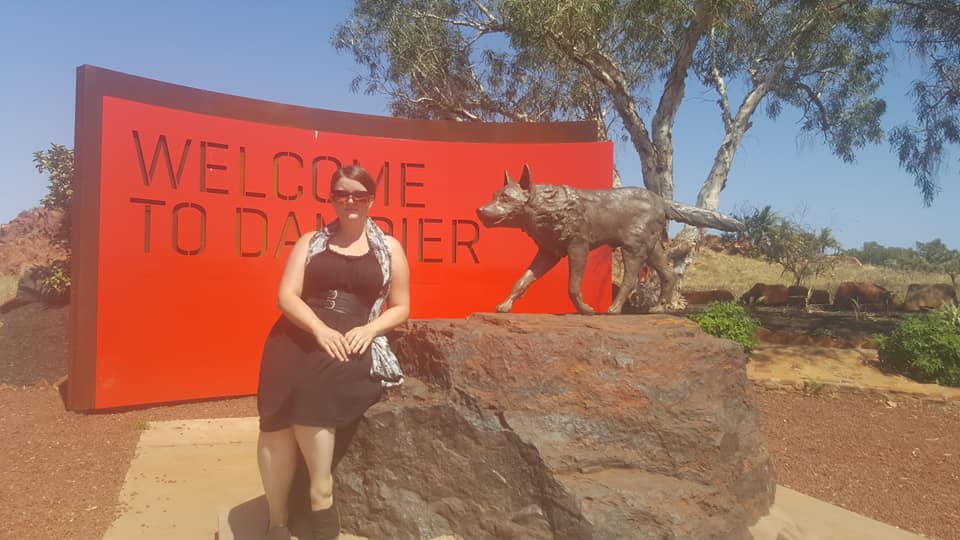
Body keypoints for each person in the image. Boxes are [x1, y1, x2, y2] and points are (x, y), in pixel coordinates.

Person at [256, 165, 410, 540]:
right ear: (332, 199)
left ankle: (320, 496)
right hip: (297, 335)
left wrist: (370, 329)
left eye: (358, 194)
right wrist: (319, 329)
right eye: (342, 194)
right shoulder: (310, 241)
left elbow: (402, 306)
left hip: (352, 340)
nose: (350, 201)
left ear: (371, 199)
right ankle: (277, 522)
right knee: (274, 427)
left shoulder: (389, 247)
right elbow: (286, 296)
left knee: (311, 399)